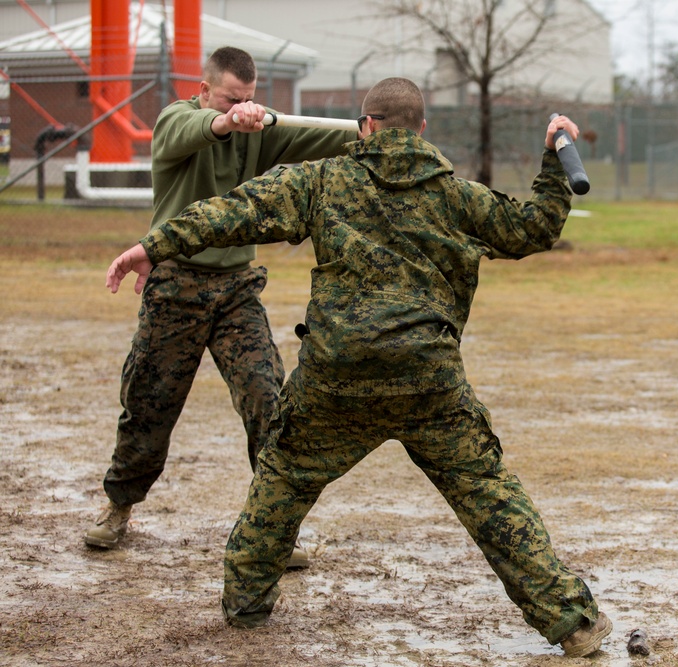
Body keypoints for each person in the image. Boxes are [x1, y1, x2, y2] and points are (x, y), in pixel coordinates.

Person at [105, 77, 613, 657]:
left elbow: (236, 212)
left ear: (365, 124)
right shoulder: (454, 195)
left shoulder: (324, 179)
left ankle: (246, 602)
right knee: (486, 492)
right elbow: (533, 227)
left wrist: (156, 244)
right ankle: (572, 621)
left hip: (336, 376)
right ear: (421, 129)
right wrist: (553, 160)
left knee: (285, 476)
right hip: (429, 377)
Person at [85, 46, 356, 569]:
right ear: (206, 90)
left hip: (237, 291)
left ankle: (276, 527)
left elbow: (323, 137)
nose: (244, 107)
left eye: (250, 99)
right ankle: (119, 506)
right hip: (174, 288)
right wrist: (225, 119)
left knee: (268, 400)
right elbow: (192, 131)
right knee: (149, 404)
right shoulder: (176, 120)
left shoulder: (261, 132)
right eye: (233, 98)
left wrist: (375, 132)